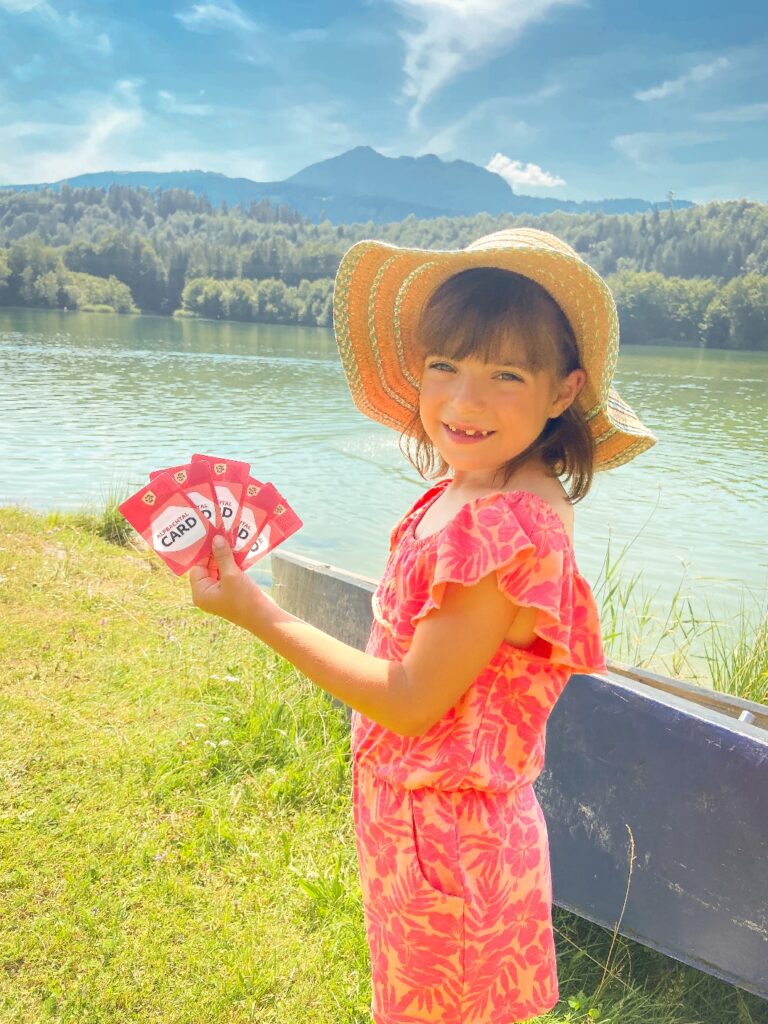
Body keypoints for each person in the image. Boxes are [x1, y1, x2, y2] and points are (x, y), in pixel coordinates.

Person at [189, 227, 657, 1023]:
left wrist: (255, 610)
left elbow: (410, 699)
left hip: (449, 848)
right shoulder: (475, 484)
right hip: (421, 827)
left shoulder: (508, 525)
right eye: (445, 365)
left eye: (506, 374)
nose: (465, 400)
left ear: (562, 390)